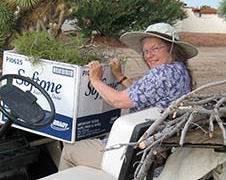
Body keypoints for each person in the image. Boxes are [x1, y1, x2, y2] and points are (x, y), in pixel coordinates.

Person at [59, 22, 198, 170]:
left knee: (70, 148)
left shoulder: (162, 73)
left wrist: (94, 80)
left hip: (129, 157)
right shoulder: (180, 71)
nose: (149, 55)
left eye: (155, 49)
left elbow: (118, 101)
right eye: (145, 51)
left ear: (172, 48)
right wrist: (120, 77)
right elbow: (145, 96)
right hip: (151, 151)